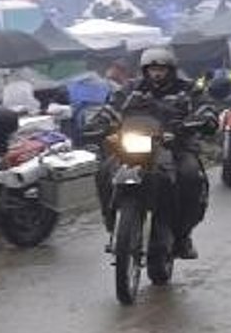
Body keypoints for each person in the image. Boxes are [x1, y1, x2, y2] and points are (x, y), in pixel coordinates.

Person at [88, 45, 211, 259]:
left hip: (176, 146)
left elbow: (204, 108)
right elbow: (111, 107)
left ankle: (183, 235)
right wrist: (99, 122)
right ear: (144, 70)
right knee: (104, 172)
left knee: (191, 176)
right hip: (135, 145)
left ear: (170, 70)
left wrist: (203, 119)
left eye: (161, 69)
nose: (156, 73)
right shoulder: (131, 89)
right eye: (151, 69)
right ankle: (112, 225)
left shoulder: (187, 89)